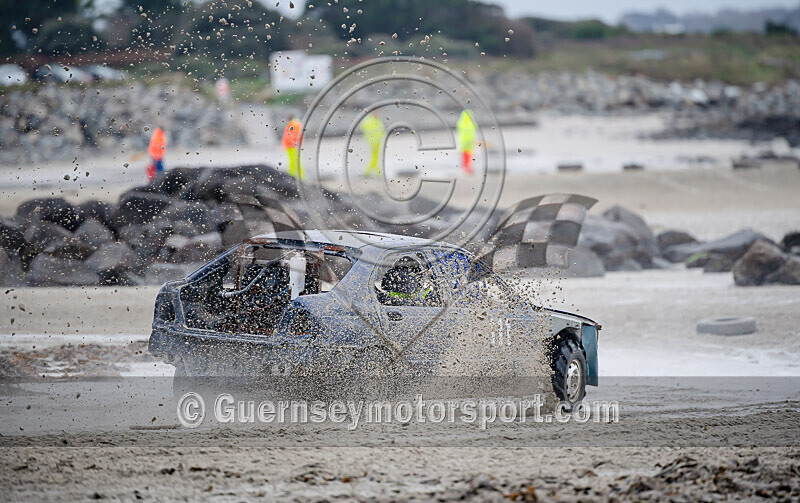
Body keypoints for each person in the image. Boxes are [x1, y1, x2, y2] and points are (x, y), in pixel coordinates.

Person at [360, 111, 385, 177]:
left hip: (378, 142)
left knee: (375, 158)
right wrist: (371, 140)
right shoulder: (369, 121)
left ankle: (376, 173)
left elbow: (381, 131)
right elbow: (364, 128)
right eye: (376, 113)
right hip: (373, 142)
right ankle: (368, 173)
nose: (378, 114)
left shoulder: (378, 121)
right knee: (374, 158)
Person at [456, 109, 477, 175]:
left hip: (465, 141)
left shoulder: (460, 122)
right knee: (467, 155)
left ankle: (467, 168)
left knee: (466, 155)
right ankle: (467, 168)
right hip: (467, 141)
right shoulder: (471, 122)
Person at [282, 116, 303, 181]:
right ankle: (298, 177)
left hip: (292, 146)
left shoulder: (293, 125)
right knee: (295, 161)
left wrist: (290, 143)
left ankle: (294, 177)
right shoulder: (296, 124)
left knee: (293, 162)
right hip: (293, 145)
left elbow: (291, 135)